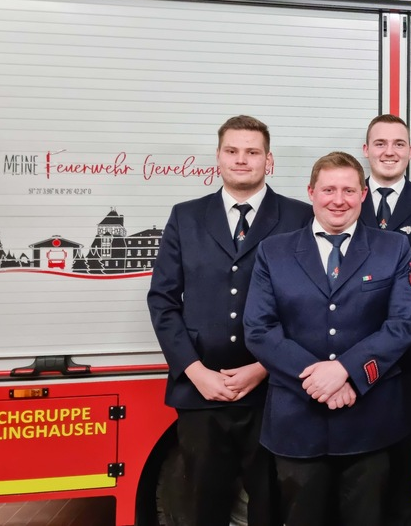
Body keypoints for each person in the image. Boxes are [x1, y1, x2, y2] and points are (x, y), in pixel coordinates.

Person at [147, 114, 312, 526]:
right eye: (232, 151)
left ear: (268, 161)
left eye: (252, 152)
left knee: (272, 505)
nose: (242, 160)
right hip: (201, 390)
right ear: (218, 157)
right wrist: (195, 371)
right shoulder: (186, 216)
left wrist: (264, 367)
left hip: (274, 389)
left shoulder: (300, 217)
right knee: (201, 505)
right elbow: (163, 300)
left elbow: (311, 305)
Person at [243, 152, 411, 526]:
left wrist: (347, 371)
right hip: (297, 421)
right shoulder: (273, 252)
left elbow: (404, 323)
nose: (337, 199)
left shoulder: (393, 248)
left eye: (348, 190)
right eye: (328, 189)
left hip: (369, 420)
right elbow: (259, 329)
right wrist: (317, 376)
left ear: (363, 195)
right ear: (311, 192)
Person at [357, 114, 411, 526]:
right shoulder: (344, 196)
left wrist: (398, 326)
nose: (389, 151)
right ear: (366, 150)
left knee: (405, 453)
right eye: (380, 143)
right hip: (350, 350)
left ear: (410, 151)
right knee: (358, 458)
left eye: (398, 143)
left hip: (409, 352)